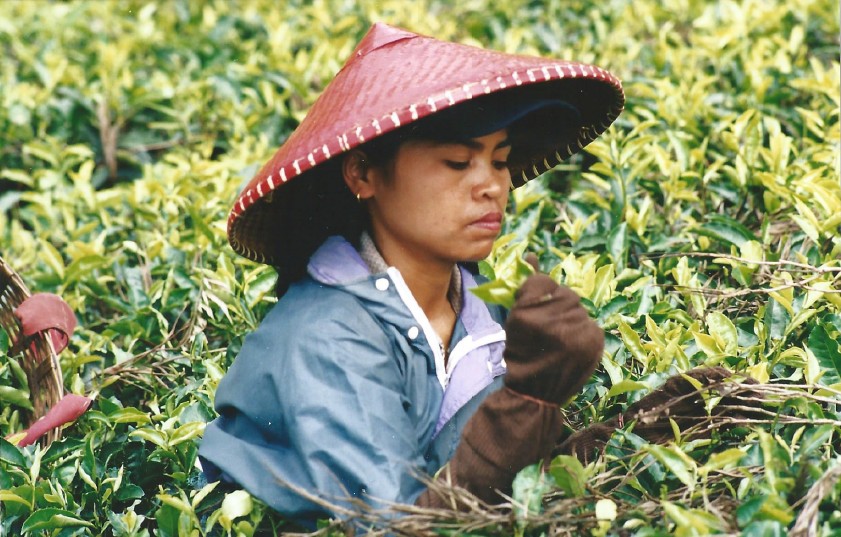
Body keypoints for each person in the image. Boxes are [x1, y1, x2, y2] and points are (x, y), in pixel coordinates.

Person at [199, 22, 754, 528]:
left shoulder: (481, 311)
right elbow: (398, 524)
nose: (492, 186)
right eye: (458, 163)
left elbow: (494, 479)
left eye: (501, 159)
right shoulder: (325, 335)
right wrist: (531, 397)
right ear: (364, 173)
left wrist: (626, 440)